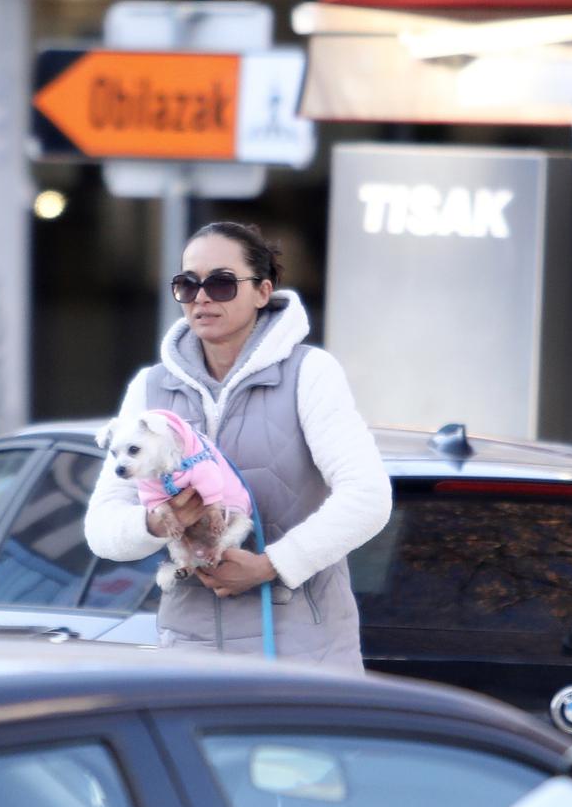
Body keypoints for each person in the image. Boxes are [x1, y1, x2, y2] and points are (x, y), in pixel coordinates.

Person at [84, 221, 390, 671]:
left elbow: (368, 498)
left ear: (263, 291)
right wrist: (157, 522)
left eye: (222, 283)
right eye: (188, 284)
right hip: (191, 659)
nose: (202, 297)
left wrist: (271, 565)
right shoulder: (150, 388)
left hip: (303, 658)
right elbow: (101, 529)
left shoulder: (310, 373)